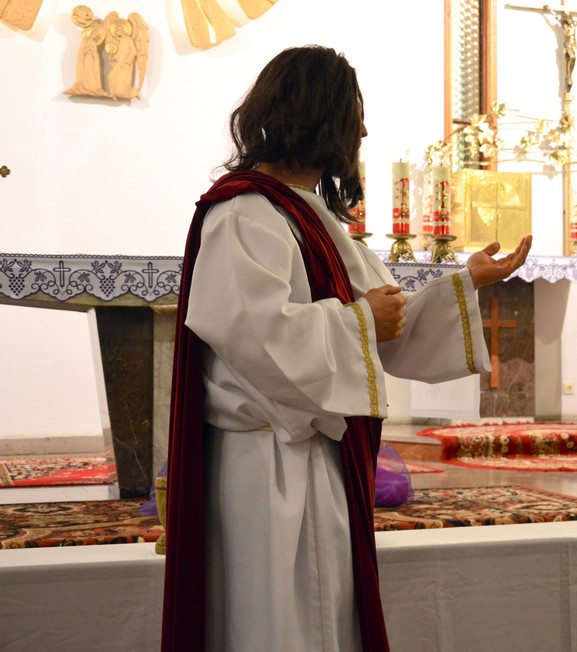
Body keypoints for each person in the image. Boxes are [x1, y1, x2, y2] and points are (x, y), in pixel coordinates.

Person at [161, 45, 531, 652]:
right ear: (317, 116)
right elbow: (258, 339)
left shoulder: (311, 215)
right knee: (275, 624)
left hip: (315, 458)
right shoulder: (246, 213)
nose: (362, 132)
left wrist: (467, 282)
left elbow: (385, 323)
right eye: (353, 115)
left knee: (322, 617)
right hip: (267, 464)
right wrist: (360, 320)